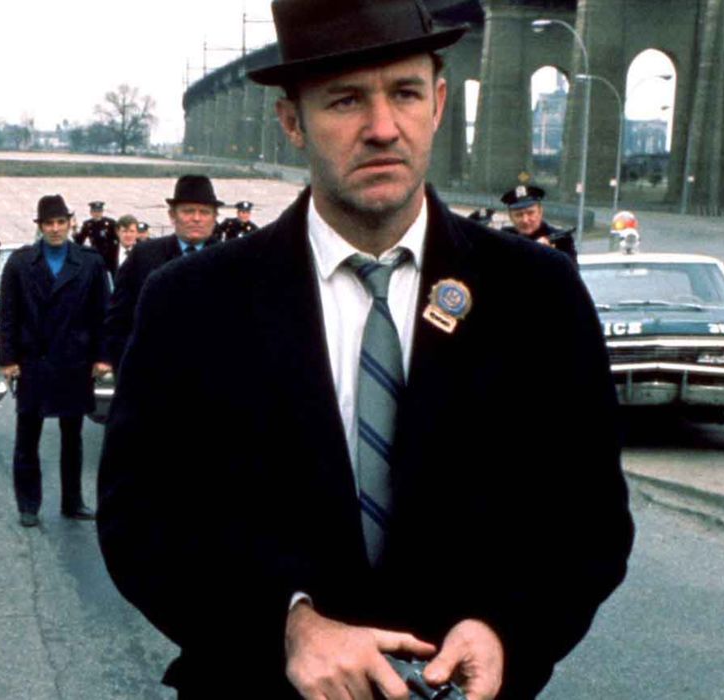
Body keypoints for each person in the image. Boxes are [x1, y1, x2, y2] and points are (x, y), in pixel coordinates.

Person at [96, 1, 634, 698]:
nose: (383, 128)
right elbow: (141, 520)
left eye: (405, 93)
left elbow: (587, 519)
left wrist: (507, 627)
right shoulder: (192, 302)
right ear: (292, 121)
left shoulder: (537, 293)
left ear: (439, 102)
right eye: (346, 100)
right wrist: (288, 625)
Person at [0, 194, 110, 528]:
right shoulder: (20, 263)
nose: (56, 229)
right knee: (27, 435)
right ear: (40, 226)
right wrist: (8, 359)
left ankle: (73, 501)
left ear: (71, 223)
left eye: (61, 222)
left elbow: (102, 313)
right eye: (49, 223)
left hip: (74, 361)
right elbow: (8, 314)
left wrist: (103, 356)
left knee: (72, 435)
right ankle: (28, 504)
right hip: (34, 361)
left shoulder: (89, 262)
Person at [99, 174, 222, 373]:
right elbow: (117, 321)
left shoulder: (232, 261)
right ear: (172, 215)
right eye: (188, 211)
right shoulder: (143, 257)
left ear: (215, 217)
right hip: (152, 380)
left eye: (204, 212)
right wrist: (127, 370)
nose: (196, 218)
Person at [500, 185, 577, 263]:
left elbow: (571, 272)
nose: (525, 220)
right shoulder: (503, 239)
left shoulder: (561, 240)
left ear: (540, 212)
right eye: (518, 215)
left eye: (530, 213)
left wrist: (549, 254)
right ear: (511, 217)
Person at [73, 200, 119, 268]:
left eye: (99, 211)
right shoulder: (88, 225)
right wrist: (74, 230)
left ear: (102, 212)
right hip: (96, 255)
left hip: (110, 256)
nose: (97, 214)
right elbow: (79, 241)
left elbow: (118, 239)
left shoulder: (110, 223)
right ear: (91, 212)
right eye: (94, 211)